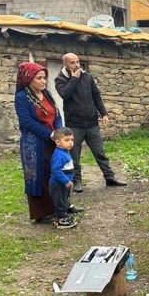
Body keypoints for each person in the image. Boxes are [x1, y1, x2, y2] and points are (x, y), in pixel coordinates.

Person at [54, 53, 126, 193]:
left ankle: (109, 178)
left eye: (77, 62)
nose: (76, 65)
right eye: (72, 63)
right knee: (74, 156)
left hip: (92, 123)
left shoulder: (87, 76)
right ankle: (77, 181)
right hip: (74, 124)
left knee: (100, 152)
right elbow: (65, 94)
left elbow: (96, 96)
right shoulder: (60, 79)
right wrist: (74, 79)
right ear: (65, 65)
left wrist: (104, 113)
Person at [15, 62, 63, 223]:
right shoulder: (22, 97)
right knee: (39, 176)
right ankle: (41, 213)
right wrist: (49, 134)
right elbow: (27, 122)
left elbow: (56, 114)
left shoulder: (47, 94)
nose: (43, 81)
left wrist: (59, 131)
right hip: (34, 143)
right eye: (39, 78)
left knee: (55, 172)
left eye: (44, 78)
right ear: (29, 79)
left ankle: (60, 206)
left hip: (53, 140)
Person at [49, 127, 78, 230]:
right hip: (59, 184)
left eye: (72, 140)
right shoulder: (59, 155)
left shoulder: (65, 152)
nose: (70, 143)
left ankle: (64, 216)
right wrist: (66, 180)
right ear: (58, 142)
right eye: (66, 140)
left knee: (64, 199)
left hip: (65, 183)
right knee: (60, 201)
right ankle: (61, 220)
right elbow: (56, 170)